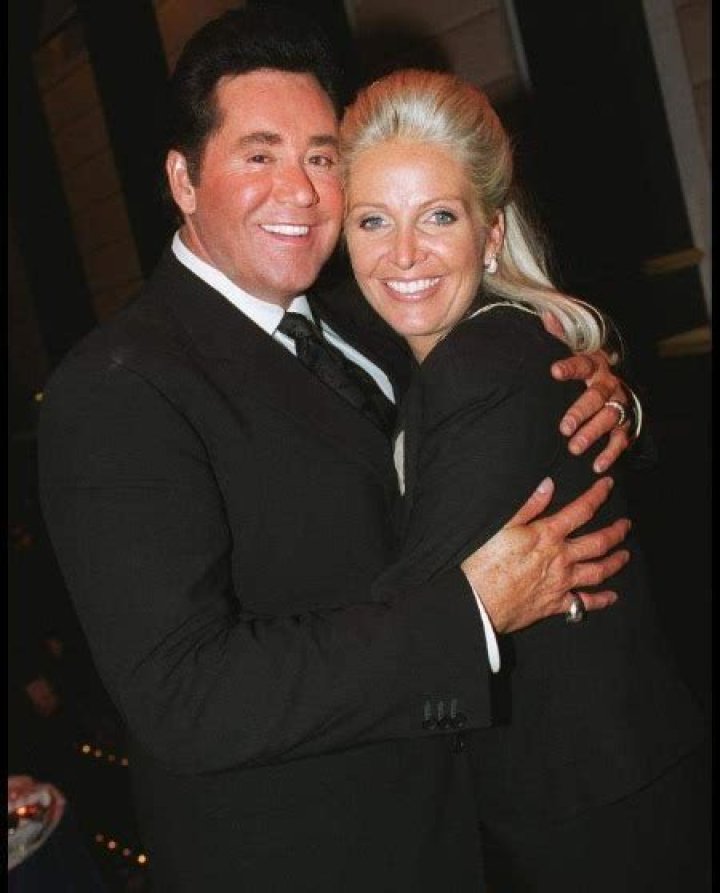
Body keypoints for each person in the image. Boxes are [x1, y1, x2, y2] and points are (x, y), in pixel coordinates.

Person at [38, 8, 638, 891]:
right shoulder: (119, 387)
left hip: (466, 827)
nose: (301, 191)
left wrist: (602, 387)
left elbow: (492, 377)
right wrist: (471, 610)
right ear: (183, 179)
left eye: (322, 158)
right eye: (260, 155)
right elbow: (185, 696)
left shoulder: (367, 313)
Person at [341, 68, 709, 892]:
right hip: (608, 780)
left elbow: (414, 625)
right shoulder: (473, 354)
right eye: (373, 220)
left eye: (438, 215)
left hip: (587, 806)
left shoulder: (483, 359)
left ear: (492, 232)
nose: (403, 253)